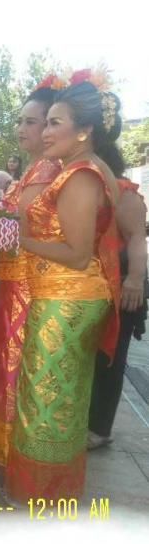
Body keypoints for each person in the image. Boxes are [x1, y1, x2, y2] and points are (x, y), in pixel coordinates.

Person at [5, 70, 122, 502]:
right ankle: (50, 488)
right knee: (56, 393)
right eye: (47, 121)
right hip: (61, 295)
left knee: (49, 393)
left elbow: (76, 252)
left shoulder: (80, 176)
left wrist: (21, 239)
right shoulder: (76, 169)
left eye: (55, 122)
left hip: (68, 298)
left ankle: (45, 491)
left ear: (84, 130)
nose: (46, 130)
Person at [0, 80, 62, 466]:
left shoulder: (48, 169)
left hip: (30, 283)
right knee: (7, 363)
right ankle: (9, 449)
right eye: (21, 121)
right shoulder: (34, 169)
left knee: (19, 365)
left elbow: (21, 221)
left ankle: (20, 451)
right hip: (15, 281)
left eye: (32, 122)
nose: (22, 129)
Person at [88, 170, 148, 449]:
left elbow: (138, 238)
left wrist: (135, 280)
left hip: (122, 284)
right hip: (91, 284)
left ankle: (100, 428)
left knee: (110, 357)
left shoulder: (124, 193)